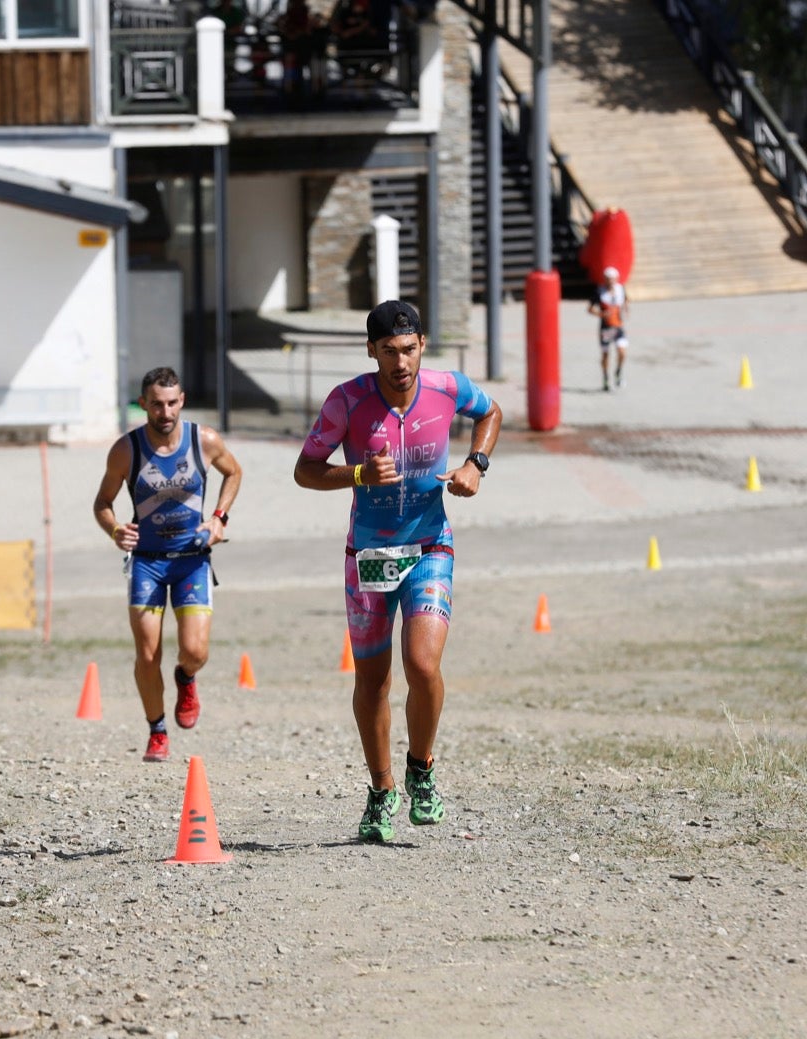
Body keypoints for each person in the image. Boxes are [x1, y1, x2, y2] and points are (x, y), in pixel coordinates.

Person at [293, 300, 502, 843]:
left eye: (409, 349)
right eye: (389, 351)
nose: (401, 362)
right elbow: (305, 471)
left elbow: (492, 413)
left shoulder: (448, 387)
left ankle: (422, 770)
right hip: (368, 556)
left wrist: (475, 465)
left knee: (423, 665)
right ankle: (382, 790)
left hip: (431, 544)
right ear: (371, 350)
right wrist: (358, 473)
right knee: (373, 680)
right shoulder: (347, 401)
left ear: (422, 345)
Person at [93, 367, 243, 763]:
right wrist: (114, 531)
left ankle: (186, 677)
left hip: (192, 560)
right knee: (147, 654)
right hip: (148, 563)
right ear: (143, 404)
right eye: (157, 404)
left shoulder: (204, 440)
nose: (165, 412)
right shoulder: (126, 450)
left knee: (194, 651)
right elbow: (102, 504)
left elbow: (234, 472)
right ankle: (157, 730)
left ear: (182, 401)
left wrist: (219, 518)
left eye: (172, 403)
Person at [587, 265, 628, 391]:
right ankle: (605, 377)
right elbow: (590, 308)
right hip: (606, 328)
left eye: (613, 279)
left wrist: (625, 311)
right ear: (604, 279)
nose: (610, 281)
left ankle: (618, 372)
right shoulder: (599, 292)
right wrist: (601, 314)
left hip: (618, 326)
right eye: (608, 279)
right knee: (606, 355)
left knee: (622, 352)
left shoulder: (621, 289)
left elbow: (625, 301)